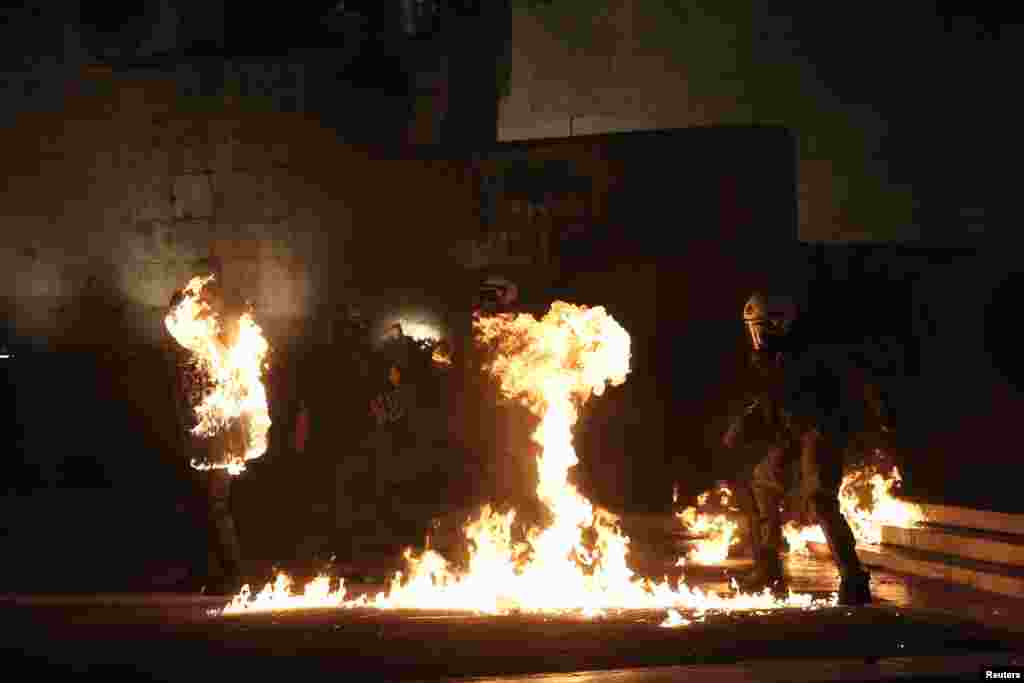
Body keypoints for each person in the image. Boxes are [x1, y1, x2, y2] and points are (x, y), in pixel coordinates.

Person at [722, 292, 875, 606]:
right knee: (763, 482)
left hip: (821, 429)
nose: (756, 335)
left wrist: (750, 421)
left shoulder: (807, 353)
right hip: (796, 430)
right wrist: (747, 423)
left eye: (760, 327)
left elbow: (790, 397)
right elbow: (774, 400)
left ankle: (853, 577)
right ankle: (768, 568)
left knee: (819, 497)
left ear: (778, 324)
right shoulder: (775, 354)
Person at [167, 277, 245, 596]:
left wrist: (236, 445)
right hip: (204, 443)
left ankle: (230, 575)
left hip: (217, 444)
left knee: (215, 508)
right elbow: (187, 399)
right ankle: (217, 572)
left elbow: (233, 397)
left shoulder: (215, 352)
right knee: (207, 508)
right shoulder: (196, 352)